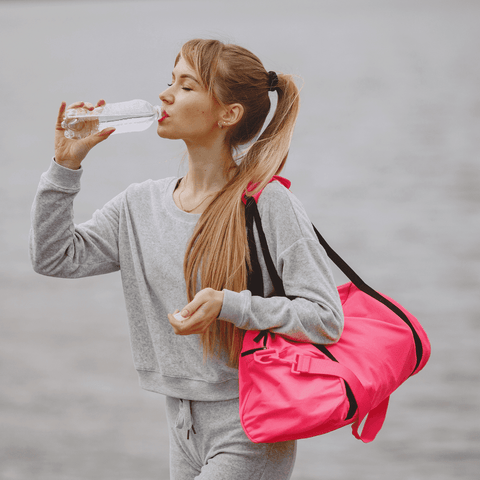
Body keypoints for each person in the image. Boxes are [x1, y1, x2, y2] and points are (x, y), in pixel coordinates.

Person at [30, 39, 344, 480]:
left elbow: (326, 317)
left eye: (187, 85)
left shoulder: (267, 203)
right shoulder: (139, 205)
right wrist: (65, 168)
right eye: (169, 80)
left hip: (250, 427)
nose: (165, 94)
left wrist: (230, 304)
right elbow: (54, 257)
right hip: (180, 425)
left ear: (227, 114)